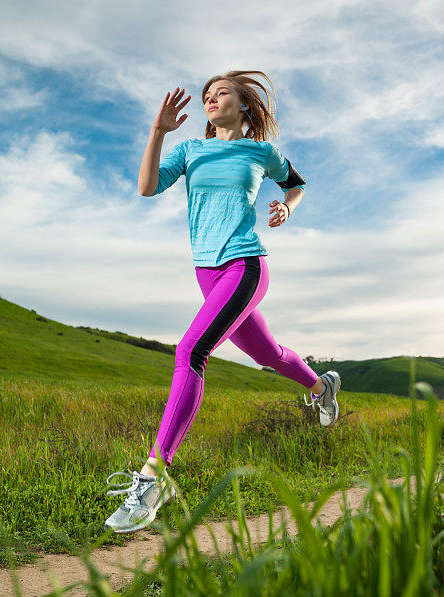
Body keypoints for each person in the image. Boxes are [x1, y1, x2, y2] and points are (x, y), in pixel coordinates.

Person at [104, 70, 341, 534]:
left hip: (244, 264)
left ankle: (154, 477)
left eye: (221, 93)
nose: (211, 100)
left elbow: (296, 183)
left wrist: (287, 207)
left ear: (244, 106)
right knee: (268, 355)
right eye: (207, 96)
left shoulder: (261, 152)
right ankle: (321, 387)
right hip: (206, 272)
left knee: (191, 352)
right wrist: (157, 132)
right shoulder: (190, 151)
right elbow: (147, 187)